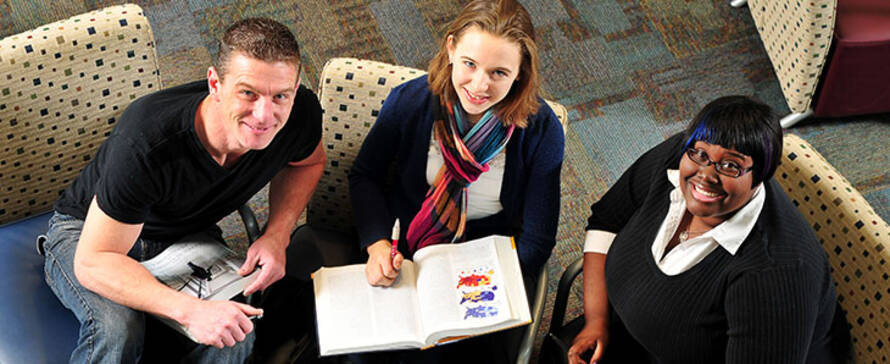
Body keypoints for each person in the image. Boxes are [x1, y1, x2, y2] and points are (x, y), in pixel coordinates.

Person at [42, 18, 325, 363]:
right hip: (88, 234)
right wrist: (189, 311)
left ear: (295, 89)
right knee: (119, 330)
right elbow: (93, 262)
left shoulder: (300, 115)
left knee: (233, 332)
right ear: (215, 84)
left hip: (181, 234)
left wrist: (277, 235)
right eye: (248, 93)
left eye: (280, 96)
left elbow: (307, 164)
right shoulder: (147, 141)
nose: (265, 115)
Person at [348, 0, 563, 362]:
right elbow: (365, 175)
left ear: (521, 71)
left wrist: (486, 284)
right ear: (450, 49)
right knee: (368, 350)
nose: (479, 86)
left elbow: (538, 239)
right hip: (406, 249)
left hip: (485, 265)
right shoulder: (412, 101)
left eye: (498, 73)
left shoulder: (541, 129)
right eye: (470, 64)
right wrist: (377, 244)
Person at [567, 96, 849, 364]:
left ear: (761, 175)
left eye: (730, 166)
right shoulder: (681, 156)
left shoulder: (774, 275)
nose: (705, 175)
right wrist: (596, 322)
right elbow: (606, 221)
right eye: (700, 154)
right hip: (622, 334)